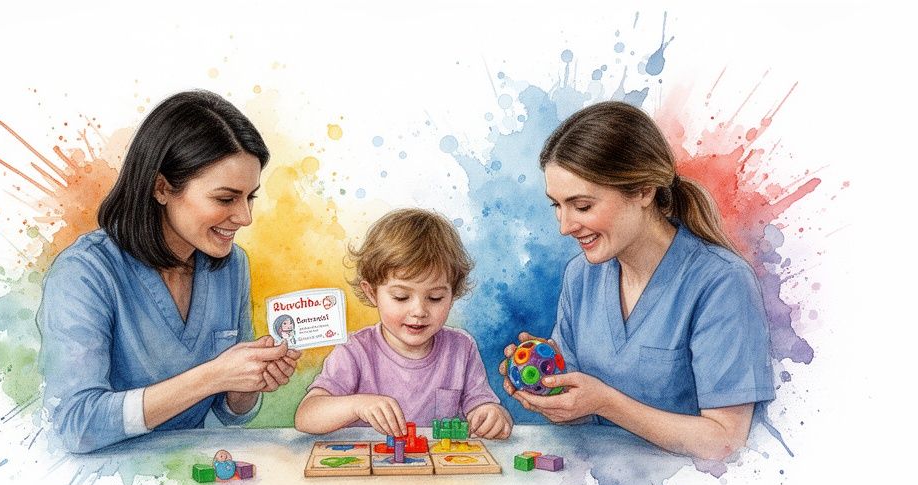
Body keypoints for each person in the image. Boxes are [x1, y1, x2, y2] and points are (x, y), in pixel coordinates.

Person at [501, 101, 773, 460]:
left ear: (644, 191)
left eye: (582, 206)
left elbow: (725, 441)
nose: (565, 227)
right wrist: (549, 391)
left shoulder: (722, 282)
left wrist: (606, 402)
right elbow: (577, 409)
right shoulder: (580, 276)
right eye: (557, 206)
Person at [38, 90, 301, 454]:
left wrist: (245, 384)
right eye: (225, 199)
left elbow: (231, 414)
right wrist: (213, 375)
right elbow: (77, 425)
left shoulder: (231, 265)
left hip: (193, 470)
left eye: (249, 196)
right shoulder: (84, 273)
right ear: (162, 188)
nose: (245, 217)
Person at [295, 208, 512, 439]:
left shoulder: (462, 348)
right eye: (401, 297)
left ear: (452, 295)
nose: (419, 311)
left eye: (435, 297)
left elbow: (484, 407)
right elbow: (306, 416)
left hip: (439, 471)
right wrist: (357, 405)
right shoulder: (354, 350)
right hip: (373, 471)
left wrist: (494, 415)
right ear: (372, 293)